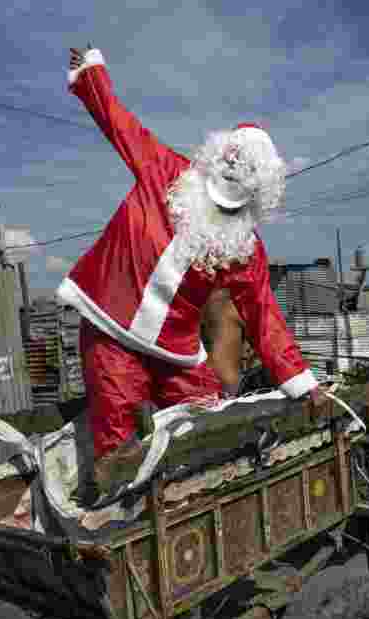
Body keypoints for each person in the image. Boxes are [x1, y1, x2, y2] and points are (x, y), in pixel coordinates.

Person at [57, 45, 325, 502]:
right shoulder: (164, 169)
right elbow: (117, 121)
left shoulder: (244, 247)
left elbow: (263, 315)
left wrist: (303, 384)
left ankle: (199, 502)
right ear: (215, 160)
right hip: (112, 330)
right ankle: (108, 520)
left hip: (177, 348)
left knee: (209, 423)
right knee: (121, 449)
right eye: (231, 170)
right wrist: (90, 75)